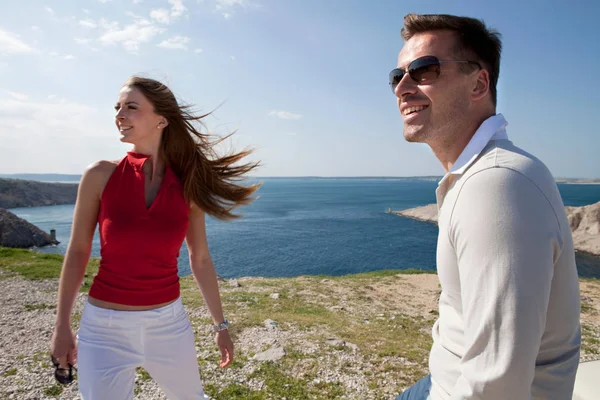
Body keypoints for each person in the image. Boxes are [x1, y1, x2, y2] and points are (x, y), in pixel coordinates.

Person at [389, 14, 581, 399]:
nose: (402, 88)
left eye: (424, 70)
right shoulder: (478, 176)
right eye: (397, 76)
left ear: (479, 83)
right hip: (439, 382)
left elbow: (496, 386)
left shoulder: (498, 184)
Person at [50, 76, 260, 399]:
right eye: (117, 107)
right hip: (105, 328)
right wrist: (61, 325)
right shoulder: (99, 176)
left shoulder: (187, 183)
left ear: (162, 119)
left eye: (131, 107)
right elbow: (78, 251)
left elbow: (200, 257)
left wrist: (221, 326)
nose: (119, 114)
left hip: (168, 325)